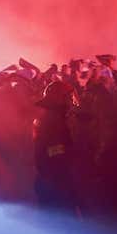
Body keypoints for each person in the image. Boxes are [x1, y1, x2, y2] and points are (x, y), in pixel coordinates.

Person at [32, 80, 80, 214]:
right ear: (60, 99)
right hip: (56, 182)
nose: (71, 101)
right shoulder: (53, 120)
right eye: (68, 97)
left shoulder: (50, 117)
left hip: (51, 179)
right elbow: (54, 151)